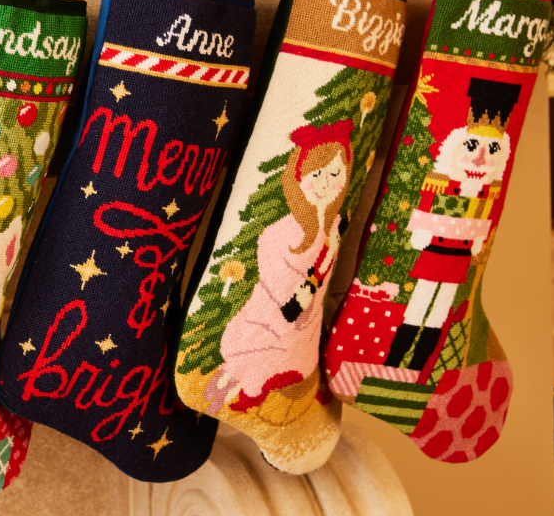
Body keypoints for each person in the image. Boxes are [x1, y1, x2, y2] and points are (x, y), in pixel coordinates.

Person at [205, 121, 352, 414]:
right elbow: (272, 279)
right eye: (316, 174)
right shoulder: (280, 232)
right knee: (255, 347)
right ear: (298, 177)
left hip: (306, 318)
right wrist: (297, 297)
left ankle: (253, 389)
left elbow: (323, 269)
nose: (325, 184)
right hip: (274, 311)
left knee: (288, 356)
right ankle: (234, 390)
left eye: (334, 174)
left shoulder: (334, 225)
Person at [384, 78, 520, 374]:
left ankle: (418, 364)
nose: (481, 158)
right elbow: (426, 203)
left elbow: (482, 216)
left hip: (459, 257)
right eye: (472, 146)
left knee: (441, 308)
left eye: (492, 150)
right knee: (419, 301)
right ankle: (394, 358)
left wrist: (477, 240)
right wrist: (422, 230)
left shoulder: (484, 194)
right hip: (435, 249)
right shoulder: (442, 184)